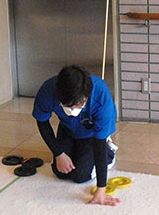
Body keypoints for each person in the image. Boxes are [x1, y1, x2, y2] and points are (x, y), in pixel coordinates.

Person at [32, 66, 120, 206]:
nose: (73, 110)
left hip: (93, 134)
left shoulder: (100, 95)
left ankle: (110, 153)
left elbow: (99, 143)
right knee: (60, 172)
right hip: (68, 129)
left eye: (79, 105)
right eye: (69, 106)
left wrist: (101, 189)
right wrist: (59, 153)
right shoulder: (48, 90)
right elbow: (42, 122)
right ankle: (73, 151)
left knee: (81, 175)